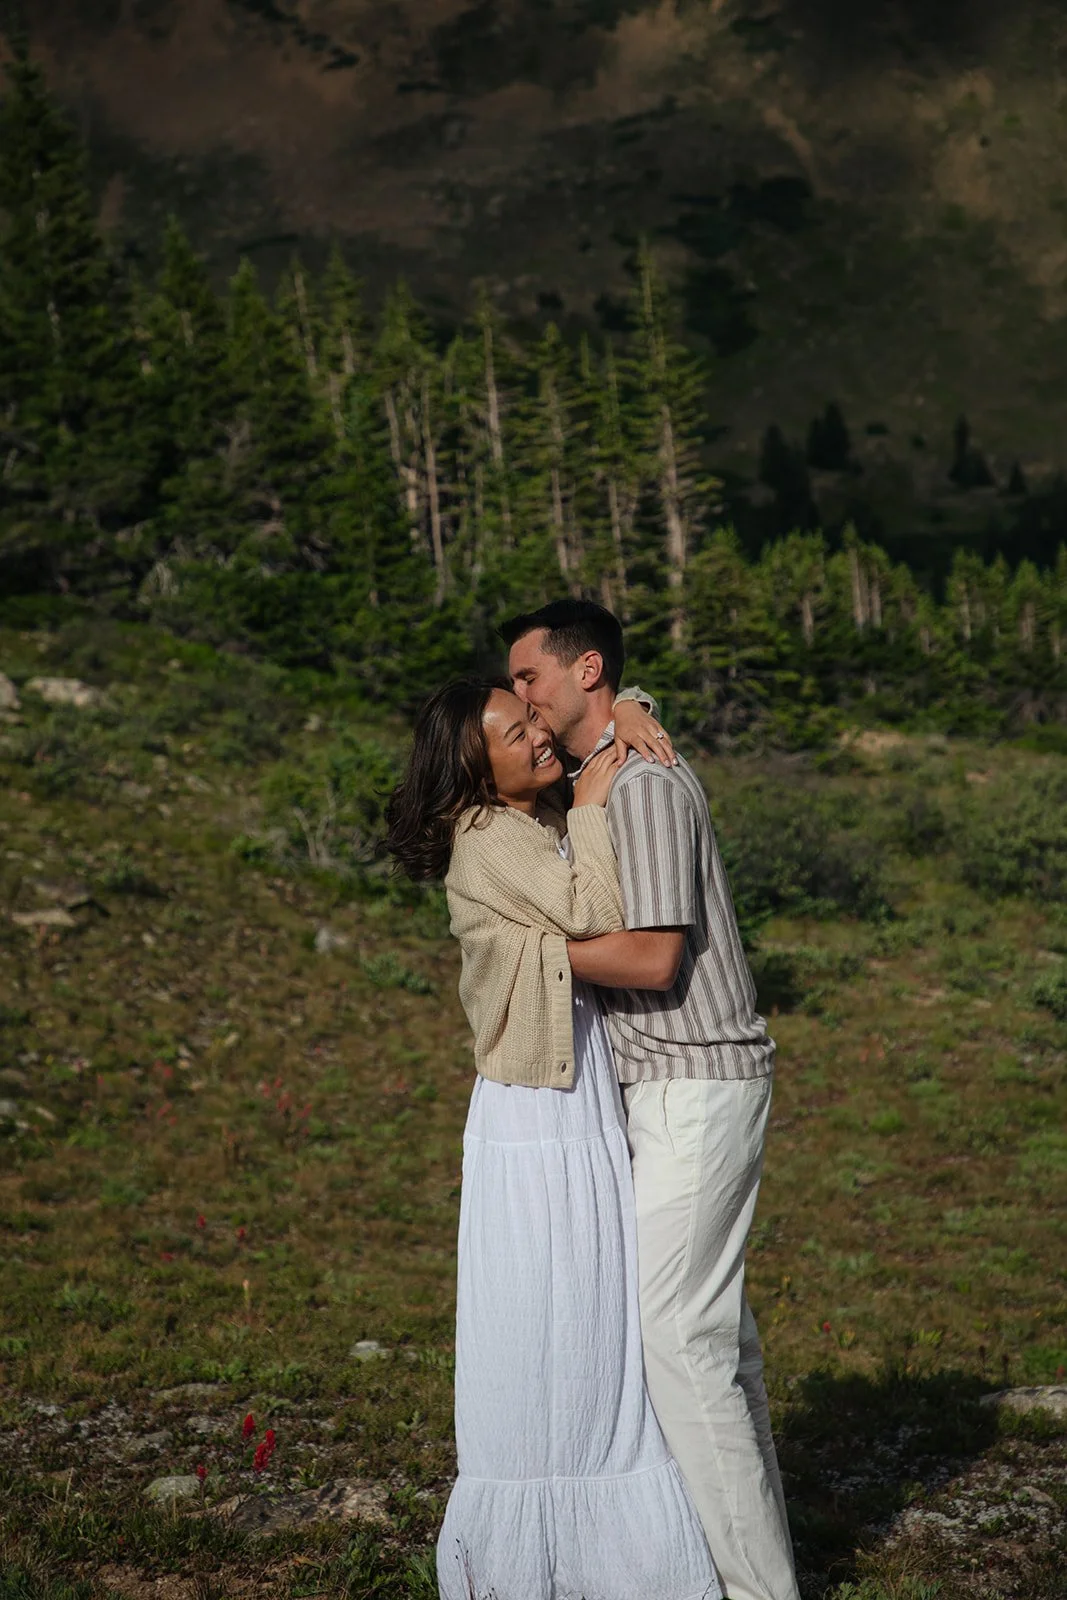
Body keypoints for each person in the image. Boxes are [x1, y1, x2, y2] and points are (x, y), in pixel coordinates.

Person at [386, 679, 719, 1600]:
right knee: (548, 1319)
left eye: (531, 714)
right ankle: (540, 1557)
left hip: (571, 1101)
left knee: (589, 1312)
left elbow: (600, 699)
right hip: (536, 1110)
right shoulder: (490, 835)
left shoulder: (525, 817)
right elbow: (598, 913)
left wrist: (635, 708)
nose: (536, 731)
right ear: (471, 765)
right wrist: (588, 800)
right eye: (510, 729)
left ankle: (601, 1544)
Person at [504, 599, 801, 1600]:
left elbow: (653, 951)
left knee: (680, 1339)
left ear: (581, 669)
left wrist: (527, 956)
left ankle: (755, 1589)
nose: (519, 696)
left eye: (528, 677)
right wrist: (630, 700)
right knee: (714, 1338)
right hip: (666, 1086)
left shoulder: (640, 783)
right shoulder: (597, 770)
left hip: (696, 1076)